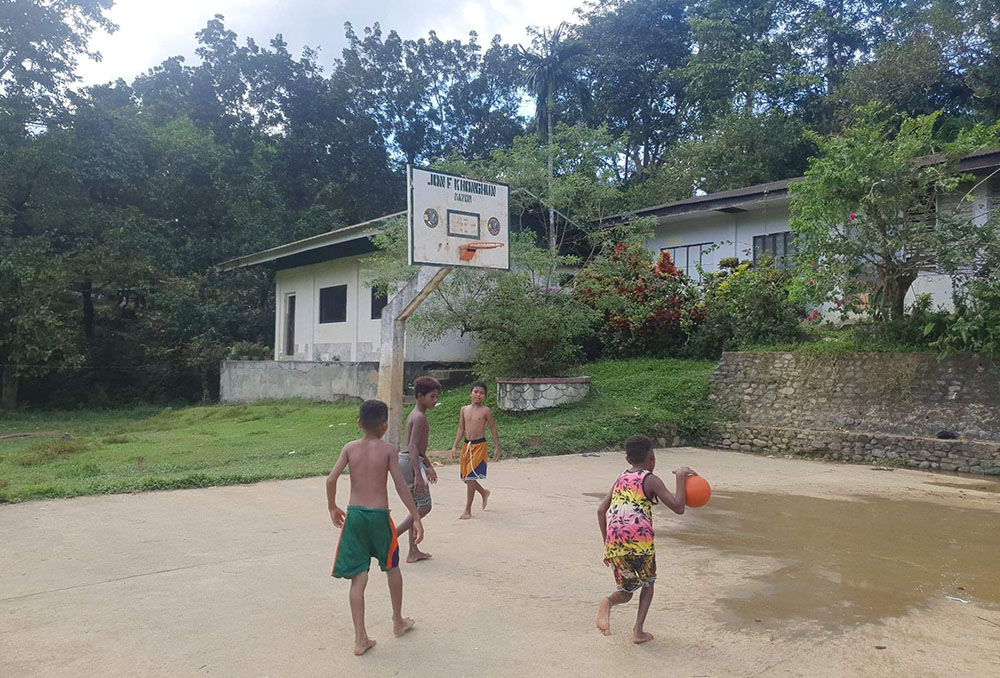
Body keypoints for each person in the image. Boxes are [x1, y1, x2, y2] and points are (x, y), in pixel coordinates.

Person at [327, 399, 425, 656]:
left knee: (359, 578)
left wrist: (332, 507)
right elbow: (401, 485)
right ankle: (397, 621)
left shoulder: (349, 448)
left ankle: (360, 638)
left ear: (359, 423)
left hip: (355, 515)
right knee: (392, 567)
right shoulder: (389, 450)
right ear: (384, 426)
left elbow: (331, 478)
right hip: (380, 516)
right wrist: (415, 516)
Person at [595, 434, 697, 644]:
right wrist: (680, 476)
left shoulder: (620, 478)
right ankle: (638, 632)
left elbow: (600, 509)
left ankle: (608, 601)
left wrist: (608, 544)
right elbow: (678, 507)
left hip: (615, 542)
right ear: (652, 456)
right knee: (648, 583)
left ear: (627, 459)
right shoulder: (650, 480)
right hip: (639, 542)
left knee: (626, 590)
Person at [395, 376, 440, 562]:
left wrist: (428, 466)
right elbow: (413, 447)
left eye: (437, 397)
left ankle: (413, 551)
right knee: (424, 505)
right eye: (432, 397)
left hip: (410, 460)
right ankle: (392, 535)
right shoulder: (419, 417)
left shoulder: (416, 415)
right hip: (410, 461)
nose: (435, 400)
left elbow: (418, 449)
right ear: (420, 396)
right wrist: (418, 475)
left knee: (415, 505)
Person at [450, 381, 501, 520]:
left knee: (471, 478)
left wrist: (497, 447)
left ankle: (468, 509)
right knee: (465, 478)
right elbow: (461, 428)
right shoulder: (464, 409)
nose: (478, 395)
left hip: (480, 446)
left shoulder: (486, 411)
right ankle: (484, 492)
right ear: (470, 393)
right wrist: (455, 446)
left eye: (481, 393)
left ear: (484, 396)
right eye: (476, 392)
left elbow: (492, 428)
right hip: (466, 446)